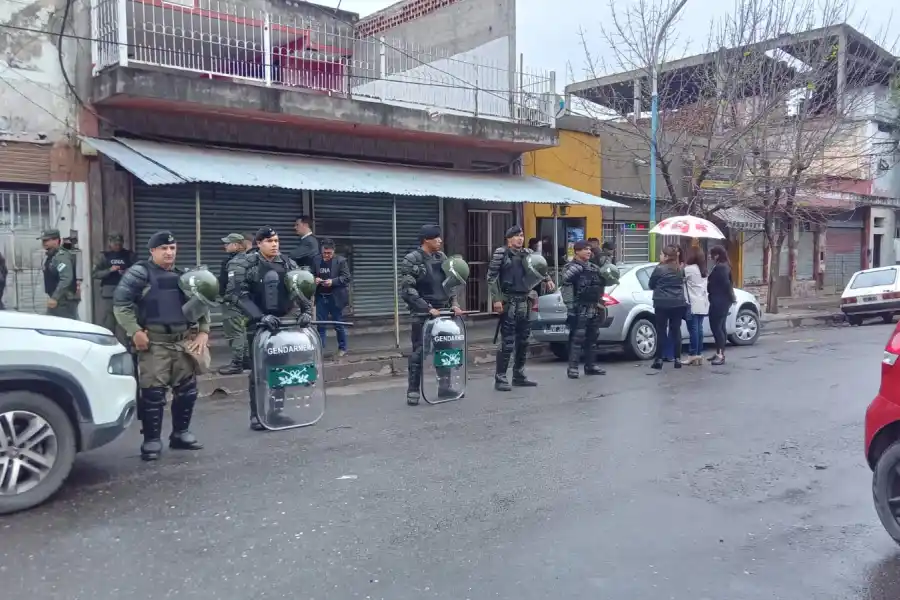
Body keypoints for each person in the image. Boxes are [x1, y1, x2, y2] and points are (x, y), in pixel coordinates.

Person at [113, 231, 211, 461]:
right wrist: (134, 330)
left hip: (181, 342)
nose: (169, 253)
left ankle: (181, 433)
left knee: (187, 391)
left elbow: (202, 302)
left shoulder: (184, 277)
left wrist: (204, 332)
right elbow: (121, 304)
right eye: (163, 249)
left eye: (172, 248)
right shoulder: (140, 274)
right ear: (152, 251)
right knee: (153, 394)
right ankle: (151, 440)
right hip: (154, 344)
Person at [225, 226, 313, 430]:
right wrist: (261, 316)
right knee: (259, 372)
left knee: (280, 370)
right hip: (258, 326)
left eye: (276, 241)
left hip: (283, 324)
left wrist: (306, 311)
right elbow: (237, 295)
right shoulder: (245, 264)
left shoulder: (288, 263)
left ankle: (276, 412)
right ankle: (257, 415)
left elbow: (300, 288)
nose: (274, 245)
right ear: (258, 244)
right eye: (269, 241)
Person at [398, 224, 464, 405]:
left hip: (443, 313)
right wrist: (427, 308)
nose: (440, 241)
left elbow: (449, 285)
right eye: (436, 238)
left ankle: (445, 386)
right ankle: (413, 391)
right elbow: (407, 290)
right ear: (426, 240)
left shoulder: (441, 257)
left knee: (445, 350)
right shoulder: (412, 259)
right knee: (419, 352)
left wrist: (454, 304)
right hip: (423, 314)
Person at [488, 225, 555, 391]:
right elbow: (491, 277)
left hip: (524, 302)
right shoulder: (501, 253)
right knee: (508, 342)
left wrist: (547, 279)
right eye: (516, 236)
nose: (520, 239)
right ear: (509, 239)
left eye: (522, 236)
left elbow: (540, 267)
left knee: (524, 341)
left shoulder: (528, 253)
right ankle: (501, 377)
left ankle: (519, 375)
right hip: (509, 301)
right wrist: (497, 299)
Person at [562, 240, 606, 379]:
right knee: (577, 337)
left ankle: (591, 365)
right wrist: (570, 306)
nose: (588, 251)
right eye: (585, 249)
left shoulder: (593, 267)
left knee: (593, 336)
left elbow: (600, 285)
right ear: (577, 251)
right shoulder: (571, 267)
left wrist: (599, 301)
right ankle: (573, 368)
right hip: (578, 306)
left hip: (592, 306)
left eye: (589, 249)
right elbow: (566, 286)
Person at [218, 233, 252, 375]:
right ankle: (245, 361)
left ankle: (237, 364)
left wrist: (226, 298)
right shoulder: (247, 258)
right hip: (244, 303)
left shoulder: (235, 262)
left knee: (235, 333)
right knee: (241, 332)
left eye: (228, 243)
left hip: (234, 303)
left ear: (237, 245)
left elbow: (233, 286)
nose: (225, 245)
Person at [92, 232, 137, 341]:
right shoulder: (103, 256)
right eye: (115, 244)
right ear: (109, 243)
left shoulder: (130, 255)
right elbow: (95, 274)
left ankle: (127, 346)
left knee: (126, 321)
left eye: (119, 243)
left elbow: (139, 272)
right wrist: (110, 270)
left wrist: (128, 272)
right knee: (108, 322)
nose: (117, 246)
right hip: (109, 293)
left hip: (126, 292)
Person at [649, 245, 687, 370]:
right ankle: (677, 359)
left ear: (666, 256)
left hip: (662, 302)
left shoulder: (659, 269)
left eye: (661, 254)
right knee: (676, 330)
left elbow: (651, 284)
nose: (659, 256)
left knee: (661, 330)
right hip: (678, 303)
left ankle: (659, 359)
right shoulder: (679, 269)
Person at [314, 238, 351, 356]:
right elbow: (310, 273)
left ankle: (343, 348)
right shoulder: (316, 260)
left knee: (338, 324)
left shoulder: (341, 261)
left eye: (329, 253)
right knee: (320, 325)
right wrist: (314, 279)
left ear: (334, 251)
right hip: (321, 296)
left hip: (335, 297)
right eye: (324, 253)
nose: (326, 255)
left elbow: (346, 277)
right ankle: (320, 350)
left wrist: (333, 281)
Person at [40, 229, 79, 319]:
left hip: (63, 300)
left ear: (56, 240)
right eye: (43, 240)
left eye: (47, 240)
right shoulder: (52, 256)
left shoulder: (61, 256)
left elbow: (66, 278)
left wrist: (55, 297)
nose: (44, 243)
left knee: (66, 327)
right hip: (59, 300)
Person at [708, 245, 736, 365]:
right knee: (721, 327)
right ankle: (720, 351)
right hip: (723, 300)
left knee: (716, 327)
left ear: (717, 255)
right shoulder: (725, 266)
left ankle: (720, 354)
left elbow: (726, 284)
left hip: (719, 301)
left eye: (711, 254)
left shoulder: (720, 268)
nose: (710, 257)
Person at [682, 246, 709, 366]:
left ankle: (693, 354)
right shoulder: (703, 270)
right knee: (699, 329)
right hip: (702, 303)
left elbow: (679, 276)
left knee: (693, 330)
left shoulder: (689, 269)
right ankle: (698, 353)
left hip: (692, 303)